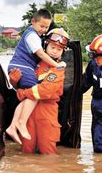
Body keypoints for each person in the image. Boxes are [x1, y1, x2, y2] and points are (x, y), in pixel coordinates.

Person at [6, 9, 66, 143]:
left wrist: (22, 93)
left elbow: (45, 91)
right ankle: (20, 123)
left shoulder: (56, 68)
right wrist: (57, 65)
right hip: (31, 115)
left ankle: (14, 125)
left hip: (46, 114)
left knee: (47, 150)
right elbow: (40, 54)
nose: (55, 51)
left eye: (59, 49)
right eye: (53, 47)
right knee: (28, 149)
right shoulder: (37, 51)